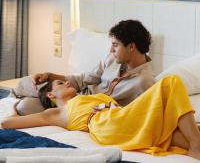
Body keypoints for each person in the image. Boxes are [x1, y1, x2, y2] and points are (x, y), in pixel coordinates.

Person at [2, 75, 200, 160]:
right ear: (51, 96)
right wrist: (16, 107)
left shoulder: (92, 96)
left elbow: (125, 111)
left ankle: (195, 147)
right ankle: (196, 144)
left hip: (121, 119)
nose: (68, 81)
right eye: (61, 83)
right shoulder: (56, 112)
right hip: (105, 125)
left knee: (177, 128)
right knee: (171, 81)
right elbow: (6, 123)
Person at [32, 20, 155, 106]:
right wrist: (48, 76)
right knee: (27, 85)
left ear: (131, 47)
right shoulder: (113, 59)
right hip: (74, 95)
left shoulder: (144, 83)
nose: (111, 50)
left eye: (115, 45)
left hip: (87, 109)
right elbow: (84, 79)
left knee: (29, 108)